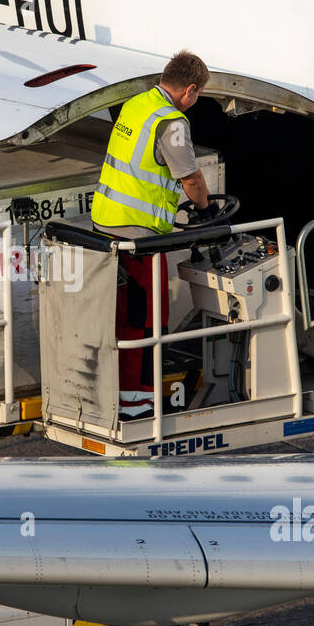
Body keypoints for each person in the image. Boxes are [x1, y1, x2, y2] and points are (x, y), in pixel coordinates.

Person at [91, 51, 216, 420]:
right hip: (138, 238)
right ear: (190, 90)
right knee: (145, 319)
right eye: (199, 95)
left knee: (120, 317)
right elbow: (190, 177)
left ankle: (120, 394)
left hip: (105, 223)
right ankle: (137, 404)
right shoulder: (171, 121)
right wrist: (208, 213)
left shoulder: (137, 103)